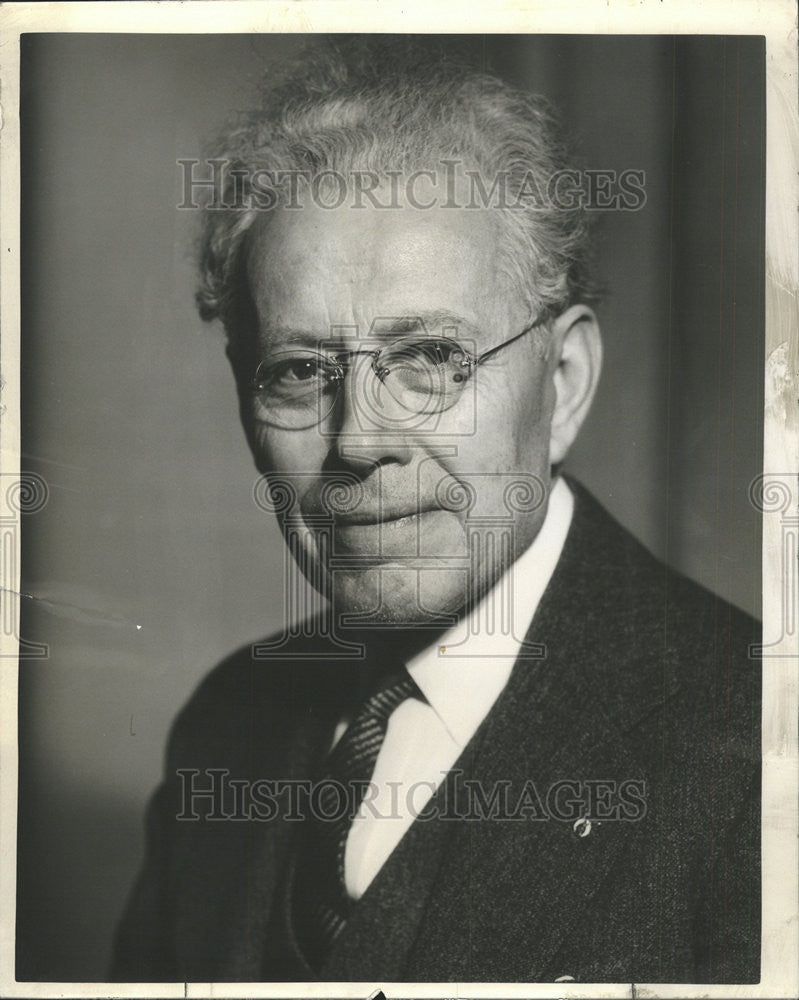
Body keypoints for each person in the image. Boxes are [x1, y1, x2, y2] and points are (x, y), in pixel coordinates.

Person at [111, 37, 761, 984]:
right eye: (299, 373)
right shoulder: (224, 727)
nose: (358, 442)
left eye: (426, 359)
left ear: (565, 384)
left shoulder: (758, 756)